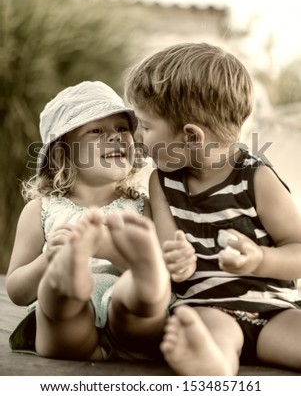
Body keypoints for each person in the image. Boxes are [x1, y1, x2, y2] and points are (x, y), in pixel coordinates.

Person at [124, 42, 301, 375]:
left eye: (146, 126)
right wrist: (172, 259)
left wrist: (261, 259)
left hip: (274, 311)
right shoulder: (162, 182)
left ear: (191, 136)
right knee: (210, 334)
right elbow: (166, 253)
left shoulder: (256, 177)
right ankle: (214, 368)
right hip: (208, 309)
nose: (136, 135)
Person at [6, 80, 171, 361]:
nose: (116, 137)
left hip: (128, 324)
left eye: (122, 128)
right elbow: (18, 291)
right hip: (68, 327)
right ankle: (67, 277)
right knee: (59, 303)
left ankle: (143, 276)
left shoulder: (142, 207)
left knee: (136, 297)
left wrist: (115, 253)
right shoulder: (41, 210)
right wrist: (49, 261)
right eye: (96, 130)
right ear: (62, 153)